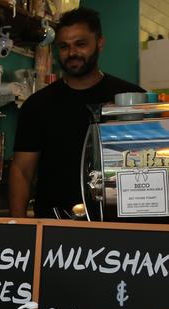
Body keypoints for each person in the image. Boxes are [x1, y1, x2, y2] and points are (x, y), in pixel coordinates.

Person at [9, 7, 145, 218]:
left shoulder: (130, 99)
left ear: (99, 43)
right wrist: (16, 226)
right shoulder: (37, 106)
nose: (72, 53)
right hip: (55, 228)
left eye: (80, 44)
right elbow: (22, 171)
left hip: (119, 228)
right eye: (64, 46)